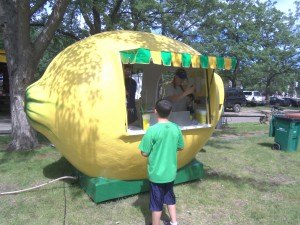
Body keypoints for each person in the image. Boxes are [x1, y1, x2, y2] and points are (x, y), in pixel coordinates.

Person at [139, 99, 184, 225]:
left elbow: (144, 152)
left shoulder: (152, 130)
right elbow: (181, 146)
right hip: (170, 172)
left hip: (157, 174)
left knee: (156, 203)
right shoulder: (176, 128)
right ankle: (174, 222)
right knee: (170, 197)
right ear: (170, 112)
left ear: (155, 111)